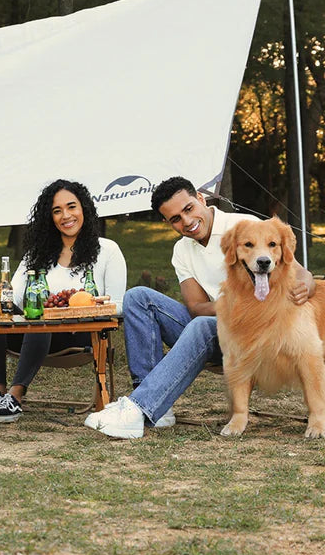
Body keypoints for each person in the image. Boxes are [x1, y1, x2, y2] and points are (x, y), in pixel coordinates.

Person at [85, 176, 317, 439]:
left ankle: (140, 408)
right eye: (175, 219)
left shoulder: (244, 229)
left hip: (254, 337)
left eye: (188, 209)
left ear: (200, 199)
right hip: (217, 332)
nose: (186, 221)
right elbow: (195, 306)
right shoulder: (181, 250)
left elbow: (299, 274)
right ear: (167, 222)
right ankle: (153, 401)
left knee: (204, 325)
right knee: (139, 297)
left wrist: (307, 284)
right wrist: (232, 307)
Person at [0, 179, 127, 423]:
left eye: (71, 207)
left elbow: (120, 305)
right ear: (49, 218)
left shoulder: (108, 251)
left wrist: (97, 304)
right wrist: (0, 295)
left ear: (85, 209)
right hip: (30, 334)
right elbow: (16, 294)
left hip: (79, 334)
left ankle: (16, 397)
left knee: (41, 318)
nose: (65, 216)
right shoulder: (38, 254)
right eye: (57, 211)